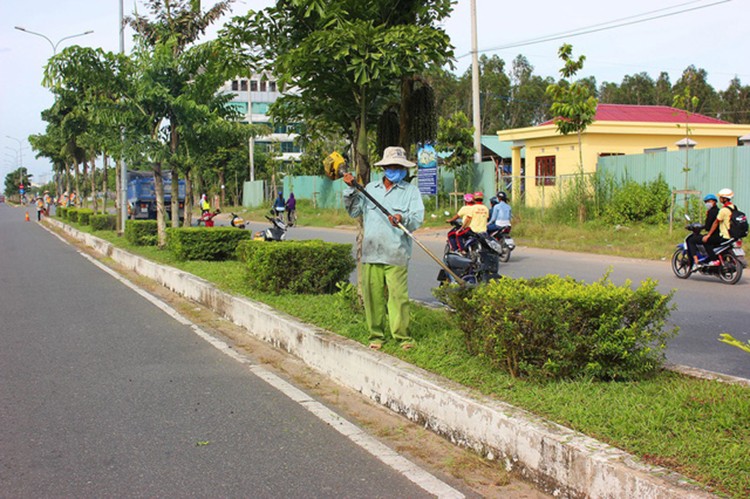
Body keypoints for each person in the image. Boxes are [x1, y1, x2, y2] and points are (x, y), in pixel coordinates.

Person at [343, 146, 424, 351]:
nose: (394, 169)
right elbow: (353, 211)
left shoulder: (411, 192)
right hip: (372, 253)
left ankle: (403, 337)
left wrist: (401, 217)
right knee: (373, 298)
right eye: (390, 166)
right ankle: (376, 336)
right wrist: (351, 189)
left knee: (398, 298)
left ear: (404, 170)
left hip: (396, 252)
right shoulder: (370, 189)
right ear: (384, 168)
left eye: (398, 166)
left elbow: (417, 218)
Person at [702, 188, 736, 265]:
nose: (719, 199)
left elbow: (715, 223)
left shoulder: (723, 210)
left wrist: (708, 235)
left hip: (725, 235)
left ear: (724, 198)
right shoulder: (734, 207)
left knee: (706, 241)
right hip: (733, 235)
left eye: (721, 197)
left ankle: (714, 260)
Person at [687, 194, 720, 271]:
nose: (707, 204)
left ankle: (696, 262)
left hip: (714, 236)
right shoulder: (719, 211)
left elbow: (708, 226)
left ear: (714, 202)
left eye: (708, 201)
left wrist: (701, 227)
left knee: (691, 240)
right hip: (720, 235)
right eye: (706, 202)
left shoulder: (712, 212)